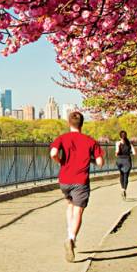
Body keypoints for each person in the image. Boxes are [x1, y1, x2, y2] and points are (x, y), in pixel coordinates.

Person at [50, 111, 104, 262]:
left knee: (70, 205)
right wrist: (91, 160)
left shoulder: (62, 138)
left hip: (65, 180)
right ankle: (71, 238)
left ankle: (69, 232)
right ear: (82, 124)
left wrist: (60, 161)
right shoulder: (90, 141)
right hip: (81, 180)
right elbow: (100, 163)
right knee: (78, 210)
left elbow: (53, 153)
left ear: (69, 123)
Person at [115, 130, 135, 199]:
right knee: (126, 175)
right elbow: (134, 153)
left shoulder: (118, 143)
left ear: (120, 136)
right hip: (127, 160)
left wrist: (118, 152)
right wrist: (129, 152)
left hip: (120, 160)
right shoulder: (129, 144)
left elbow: (117, 152)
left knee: (121, 174)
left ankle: (122, 188)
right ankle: (124, 189)